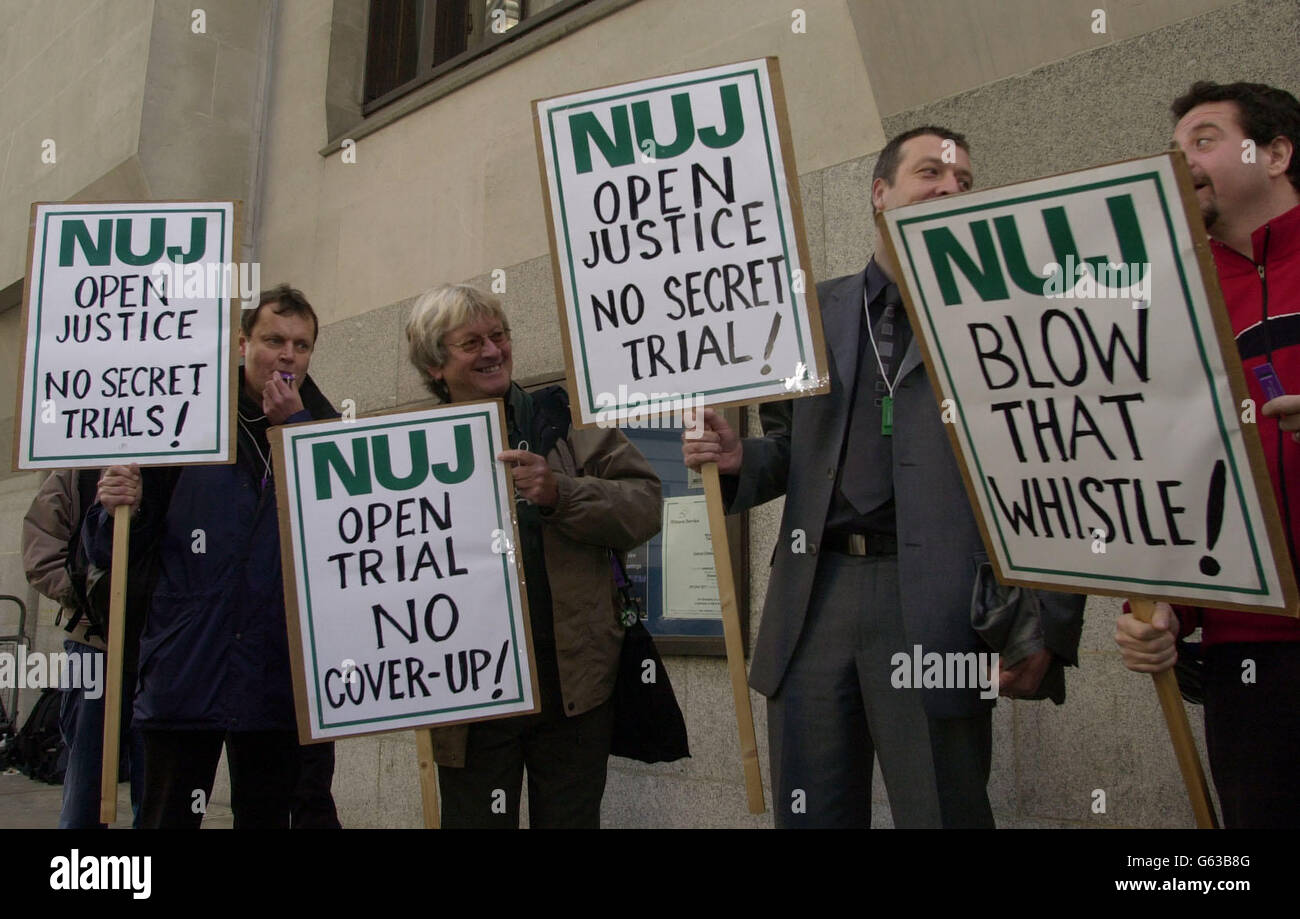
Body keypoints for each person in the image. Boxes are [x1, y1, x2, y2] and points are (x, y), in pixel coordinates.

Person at [683, 127, 1085, 828]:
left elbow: (1050, 465)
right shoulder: (811, 310)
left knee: (943, 810)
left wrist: (1048, 619)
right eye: (931, 173)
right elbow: (789, 447)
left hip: (936, 604)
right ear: (880, 194)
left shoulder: (1002, 313)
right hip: (813, 600)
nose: (949, 189)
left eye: (963, 181)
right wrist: (739, 459)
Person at [406, 284, 661, 828]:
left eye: (499, 336)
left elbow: (645, 507)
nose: (493, 351)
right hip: (468, 694)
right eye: (471, 343)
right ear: (434, 365)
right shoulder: (407, 446)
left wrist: (559, 493)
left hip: (571, 685)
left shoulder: (568, 420)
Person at [86, 284, 340, 828]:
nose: (287, 354)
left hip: (276, 679)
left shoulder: (323, 431)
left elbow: (335, 538)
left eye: (301, 344)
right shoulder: (180, 420)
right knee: (165, 818)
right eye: (274, 340)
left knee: (268, 815)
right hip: (186, 667)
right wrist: (114, 508)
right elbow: (114, 549)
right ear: (243, 343)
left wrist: (292, 431)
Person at [1114, 81, 1300, 828]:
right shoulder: (1169, 303)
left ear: (1277, 153)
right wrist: (1156, 610)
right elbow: (1162, 471)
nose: (1182, 158)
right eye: (1177, 144)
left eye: (1205, 139)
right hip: (1248, 658)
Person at [22, 467, 146, 828]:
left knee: (156, 790)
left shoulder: (179, 466)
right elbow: (40, 553)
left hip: (162, 649)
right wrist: (89, 597)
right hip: (92, 646)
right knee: (85, 781)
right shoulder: (76, 473)